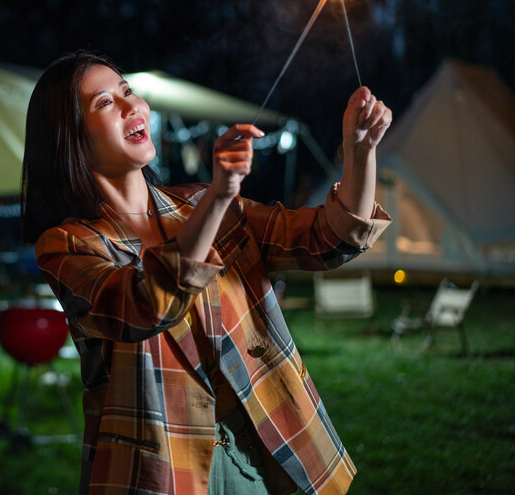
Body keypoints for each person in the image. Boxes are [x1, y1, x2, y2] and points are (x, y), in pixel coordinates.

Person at [21, 50, 392, 495]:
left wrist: (360, 151)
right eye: (104, 103)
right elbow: (143, 307)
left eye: (127, 91)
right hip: (159, 469)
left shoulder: (202, 204)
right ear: (69, 136)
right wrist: (218, 197)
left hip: (260, 446)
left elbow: (327, 241)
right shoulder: (70, 244)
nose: (132, 106)